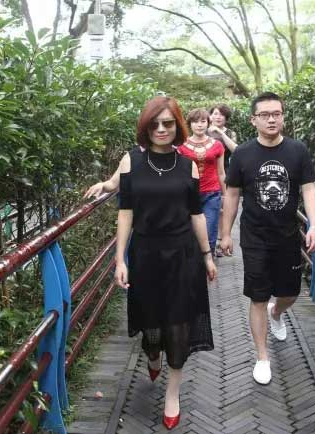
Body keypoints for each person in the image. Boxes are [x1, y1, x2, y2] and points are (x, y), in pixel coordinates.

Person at [114, 96, 216, 430]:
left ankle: (173, 393)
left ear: (177, 126)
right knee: (152, 325)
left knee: (178, 323)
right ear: (145, 127)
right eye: (155, 124)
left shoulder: (188, 164)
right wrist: (120, 259)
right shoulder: (131, 161)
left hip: (183, 255)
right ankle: (152, 352)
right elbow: (125, 212)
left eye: (168, 123)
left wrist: (207, 255)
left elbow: (196, 213)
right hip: (145, 253)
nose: (161, 129)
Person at [219, 92, 315, 385]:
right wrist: (225, 234)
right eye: (265, 115)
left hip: (288, 235)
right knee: (258, 296)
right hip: (254, 236)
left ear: (283, 117)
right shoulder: (242, 154)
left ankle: (277, 313)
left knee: (290, 293)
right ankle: (262, 357)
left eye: (277, 113)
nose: (272, 119)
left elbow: (308, 189)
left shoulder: (298, 150)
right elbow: (233, 194)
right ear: (254, 120)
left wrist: (314, 225)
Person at [177, 109, 225, 255]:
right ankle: (192, 264)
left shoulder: (217, 145)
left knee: (209, 232)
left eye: (203, 121)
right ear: (189, 124)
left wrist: (225, 195)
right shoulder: (181, 146)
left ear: (208, 123)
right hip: (188, 195)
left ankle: (207, 263)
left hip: (212, 194)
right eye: (195, 122)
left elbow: (221, 172)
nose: (199, 125)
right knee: (189, 233)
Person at [207, 104, 238, 256]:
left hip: (224, 172)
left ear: (226, 118)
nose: (218, 117)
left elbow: (236, 150)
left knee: (223, 208)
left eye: (221, 115)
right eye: (215, 114)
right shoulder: (202, 130)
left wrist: (220, 133)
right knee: (211, 208)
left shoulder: (230, 133)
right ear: (210, 116)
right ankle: (209, 242)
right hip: (206, 172)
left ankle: (221, 240)